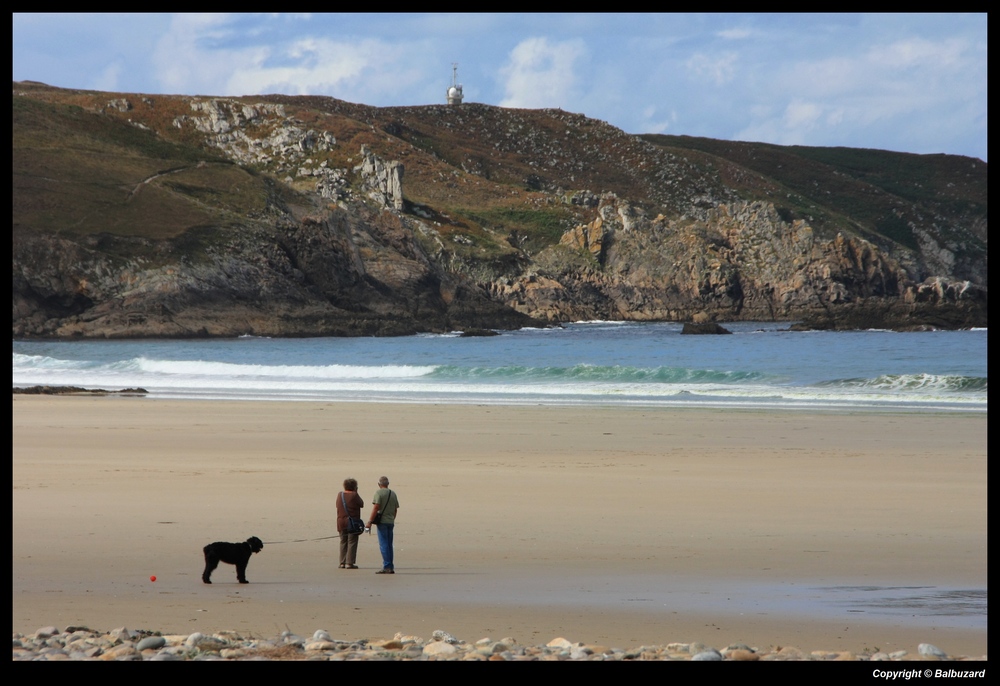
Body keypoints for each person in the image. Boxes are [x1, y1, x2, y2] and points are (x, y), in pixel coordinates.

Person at [367, 475, 400, 574]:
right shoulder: (393, 493)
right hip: (390, 521)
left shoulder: (378, 493)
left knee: (384, 544)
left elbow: (376, 507)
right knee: (389, 544)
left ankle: (387, 566)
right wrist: (392, 519)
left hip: (382, 522)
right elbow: (395, 509)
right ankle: (390, 566)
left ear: (379, 484)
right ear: (388, 484)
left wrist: (369, 522)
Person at [336, 478, 364, 569]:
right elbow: (361, 504)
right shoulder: (354, 495)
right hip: (351, 522)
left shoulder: (340, 495)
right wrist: (356, 492)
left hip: (341, 521)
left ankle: (342, 562)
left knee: (343, 541)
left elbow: (337, 505)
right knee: (352, 541)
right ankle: (349, 562)